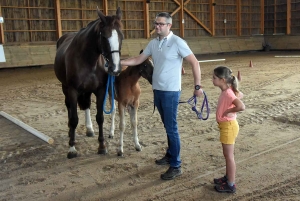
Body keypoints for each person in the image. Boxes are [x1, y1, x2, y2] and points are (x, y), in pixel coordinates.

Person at [120, 12, 202, 180]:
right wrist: (120, 62)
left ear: (169, 26)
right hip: (157, 90)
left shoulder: (177, 42)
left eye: (161, 24)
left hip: (171, 91)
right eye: (156, 23)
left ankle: (176, 165)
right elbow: (138, 59)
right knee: (167, 126)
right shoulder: (153, 43)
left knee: (172, 128)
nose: (157, 26)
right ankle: (170, 155)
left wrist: (197, 86)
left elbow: (194, 62)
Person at [212, 66, 245, 193]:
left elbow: (241, 106)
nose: (212, 80)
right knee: (227, 155)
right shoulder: (229, 89)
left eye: (214, 78)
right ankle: (227, 178)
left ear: (223, 80)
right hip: (226, 126)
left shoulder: (228, 93)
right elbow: (238, 93)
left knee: (229, 156)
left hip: (228, 127)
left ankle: (231, 184)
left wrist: (229, 111)